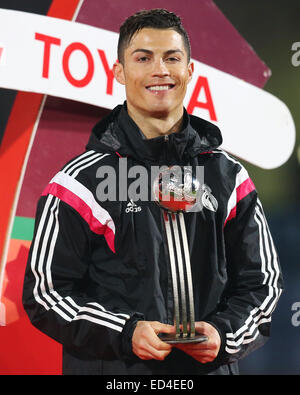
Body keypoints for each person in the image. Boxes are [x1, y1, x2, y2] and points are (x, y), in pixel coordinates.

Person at [23, 8, 283, 375]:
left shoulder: (228, 177)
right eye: (143, 58)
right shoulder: (79, 183)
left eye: (172, 57)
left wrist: (225, 335)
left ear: (190, 70)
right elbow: (45, 293)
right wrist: (125, 333)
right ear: (119, 71)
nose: (160, 70)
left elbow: (263, 284)